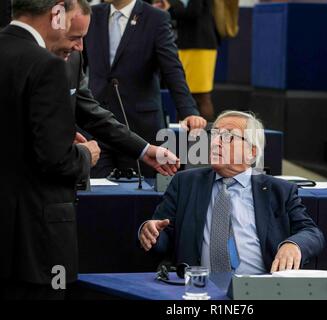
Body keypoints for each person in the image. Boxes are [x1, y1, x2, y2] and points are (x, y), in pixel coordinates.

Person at [139, 111, 325, 274]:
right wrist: (150, 231)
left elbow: (312, 233)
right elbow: (162, 236)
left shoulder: (278, 190)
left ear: (251, 152)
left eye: (228, 136)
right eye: (215, 134)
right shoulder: (186, 183)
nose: (216, 142)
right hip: (199, 287)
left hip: (259, 288)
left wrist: (294, 245)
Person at [0, 0, 100, 299]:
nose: (78, 46)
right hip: (35, 245)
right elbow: (55, 161)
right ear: (56, 13)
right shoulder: (47, 66)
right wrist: (86, 155)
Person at [52, 0, 181, 177]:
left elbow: (172, 69)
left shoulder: (155, 18)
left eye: (82, 38)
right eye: (74, 38)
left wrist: (144, 149)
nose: (80, 47)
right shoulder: (20, 57)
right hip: (91, 132)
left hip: (135, 124)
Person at [83, 0, 207, 178]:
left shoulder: (156, 18)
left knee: (141, 197)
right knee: (98, 196)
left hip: (140, 129)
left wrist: (188, 111)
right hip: (98, 127)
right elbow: (76, 64)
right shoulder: (92, 14)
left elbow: (171, 69)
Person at [153, 0, 219, 121]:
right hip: (186, 45)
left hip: (200, 46)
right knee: (186, 94)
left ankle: (208, 135)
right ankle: (185, 135)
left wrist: (170, 4)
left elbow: (194, 11)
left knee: (201, 96)